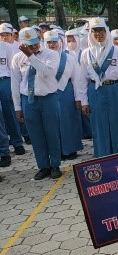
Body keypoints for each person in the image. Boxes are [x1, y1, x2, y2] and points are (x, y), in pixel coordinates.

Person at [11, 28, 62, 179]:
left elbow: (47, 72)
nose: (34, 47)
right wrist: (17, 107)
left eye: (35, 43)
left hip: (48, 98)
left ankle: (55, 165)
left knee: (52, 132)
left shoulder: (51, 54)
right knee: (36, 135)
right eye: (29, 45)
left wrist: (31, 56)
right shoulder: (17, 58)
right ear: (22, 44)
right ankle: (43, 166)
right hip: (29, 100)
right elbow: (15, 83)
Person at [77, 17, 118, 157]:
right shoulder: (86, 54)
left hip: (114, 90)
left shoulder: (117, 52)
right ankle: (102, 157)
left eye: (101, 30)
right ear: (90, 33)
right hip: (95, 92)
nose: (98, 34)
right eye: (95, 31)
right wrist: (84, 101)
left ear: (106, 32)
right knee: (99, 127)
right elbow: (82, 79)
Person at [44, 30, 83, 160]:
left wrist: (78, 98)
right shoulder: (41, 58)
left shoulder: (69, 57)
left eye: (54, 42)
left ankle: (71, 149)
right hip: (48, 93)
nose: (52, 45)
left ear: (60, 42)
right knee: (52, 124)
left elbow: (76, 79)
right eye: (48, 42)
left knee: (69, 121)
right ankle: (57, 151)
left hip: (66, 92)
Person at [0, 23, 25, 161]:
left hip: (5, 81)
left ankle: (17, 142)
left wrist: (12, 88)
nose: (3, 37)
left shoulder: (7, 48)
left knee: (10, 113)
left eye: (5, 34)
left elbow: (12, 69)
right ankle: (4, 150)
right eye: (1, 35)